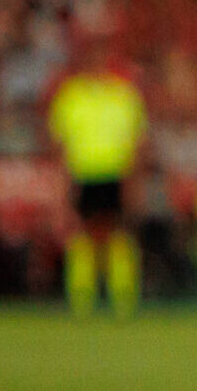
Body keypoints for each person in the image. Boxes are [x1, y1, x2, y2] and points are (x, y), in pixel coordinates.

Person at [46, 56, 148, 318]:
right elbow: (59, 143)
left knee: (117, 234)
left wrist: (134, 182)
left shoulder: (123, 95)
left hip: (115, 171)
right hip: (83, 172)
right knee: (82, 235)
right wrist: (62, 183)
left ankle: (122, 297)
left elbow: (137, 143)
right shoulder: (71, 95)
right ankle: (82, 297)